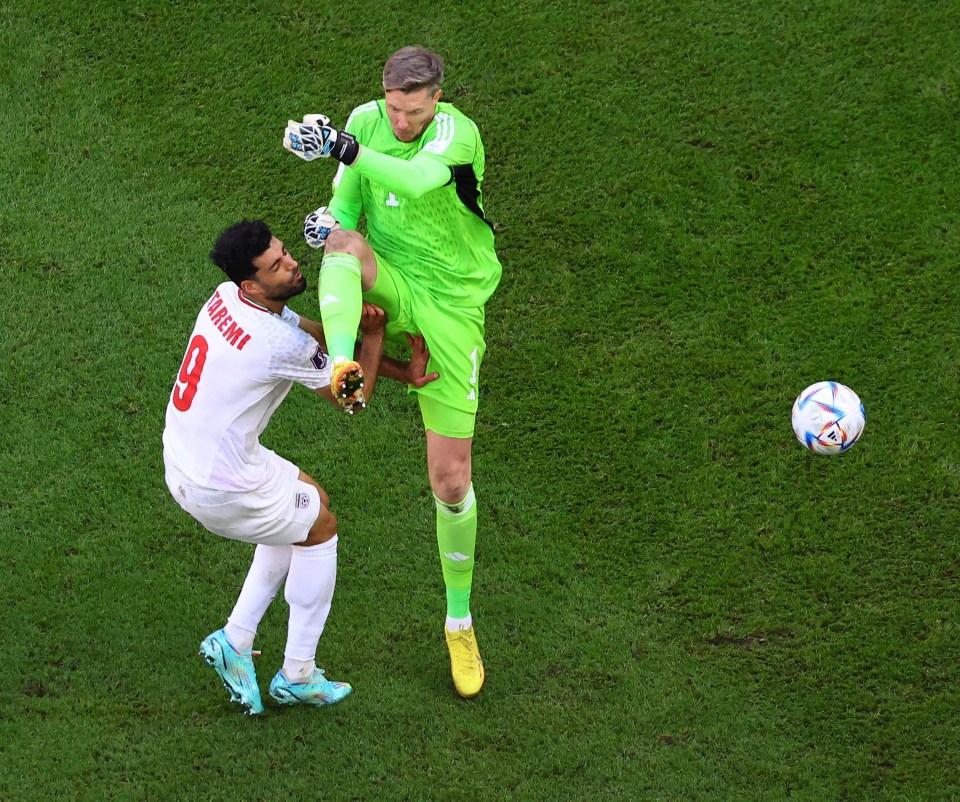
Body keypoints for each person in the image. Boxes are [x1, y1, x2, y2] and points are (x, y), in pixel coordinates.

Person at [282, 46, 503, 698]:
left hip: (452, 307)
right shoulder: (367, 121)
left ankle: (458, 622)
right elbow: (348, 213)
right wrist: (329, 228)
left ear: (436, 98)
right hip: (391, 280)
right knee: (345, 247)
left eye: (413, 111)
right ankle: (345, 360)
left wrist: (341, 148)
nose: (402, 121)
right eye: (394, 109)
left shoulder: (456, 135)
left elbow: (410, 183)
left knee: (451, 480)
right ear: (383, 95)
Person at [162, 219, 436, 715]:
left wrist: (405, 374)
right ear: (252, 283)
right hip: (220, 484)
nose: (291, 264)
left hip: (191, 455)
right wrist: (372, 338)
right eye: (276, 266)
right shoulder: (271, 340)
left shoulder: (228, 298)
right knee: (320, 529)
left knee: (312, 504)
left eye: (285, 253)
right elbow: (352, 398)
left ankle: (236, 639)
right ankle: (297, 674)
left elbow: (316, 344)